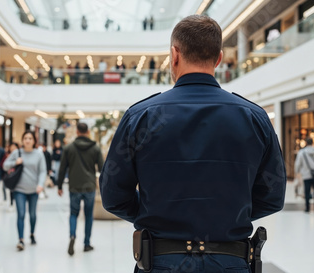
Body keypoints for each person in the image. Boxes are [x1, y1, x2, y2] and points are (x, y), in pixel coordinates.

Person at [99, 15, 286, 272]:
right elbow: (273, 196)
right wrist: (229, 214)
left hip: (162, 260)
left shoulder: (140, 116)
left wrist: (152, 212)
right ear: (219, 58)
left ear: (174, 55)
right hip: (231, 261)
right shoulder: (254, 118)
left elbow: (113, 195)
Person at [56, 123, 104, 256]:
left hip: (74, 187)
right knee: (88, 215)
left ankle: (72, 236)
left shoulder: (69, 148)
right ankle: (87, 243)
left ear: (77, 132)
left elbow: (62, 169)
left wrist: (59, 186)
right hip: (89, 186)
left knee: (73, 214)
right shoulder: (95, 148)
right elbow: (102, 168)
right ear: (88, 132)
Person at [4, 131, 46, 251]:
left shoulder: (39, 154)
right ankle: (21, 239)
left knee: (32, 215)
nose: (27, 140)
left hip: (34, 190)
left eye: (30, 138)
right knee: (21, 214)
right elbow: (5, 165)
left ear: (34, 141)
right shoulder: (17, 153)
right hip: (19, 190)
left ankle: (32, 234)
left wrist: (40, 184)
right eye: (25, 138)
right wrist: (14, 162)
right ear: (22, 140)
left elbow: (42, 171)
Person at [294, 138, 314, 213]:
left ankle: (307, 208)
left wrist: (297, 172)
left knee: (307, 192)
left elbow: (298, 164)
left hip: (306, 175)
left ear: (306, 143)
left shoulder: (302, 152)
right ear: (312, 143)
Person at [1, 142, 20, 210]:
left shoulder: (19, 154)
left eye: (14, 147)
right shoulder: (6, 154)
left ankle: (15, 202)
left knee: (15, 190)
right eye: (12, 147)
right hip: (8, 174)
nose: (13, 148)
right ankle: (10, 202)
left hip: (17, 174)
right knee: (9, 189)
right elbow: (3, 164)